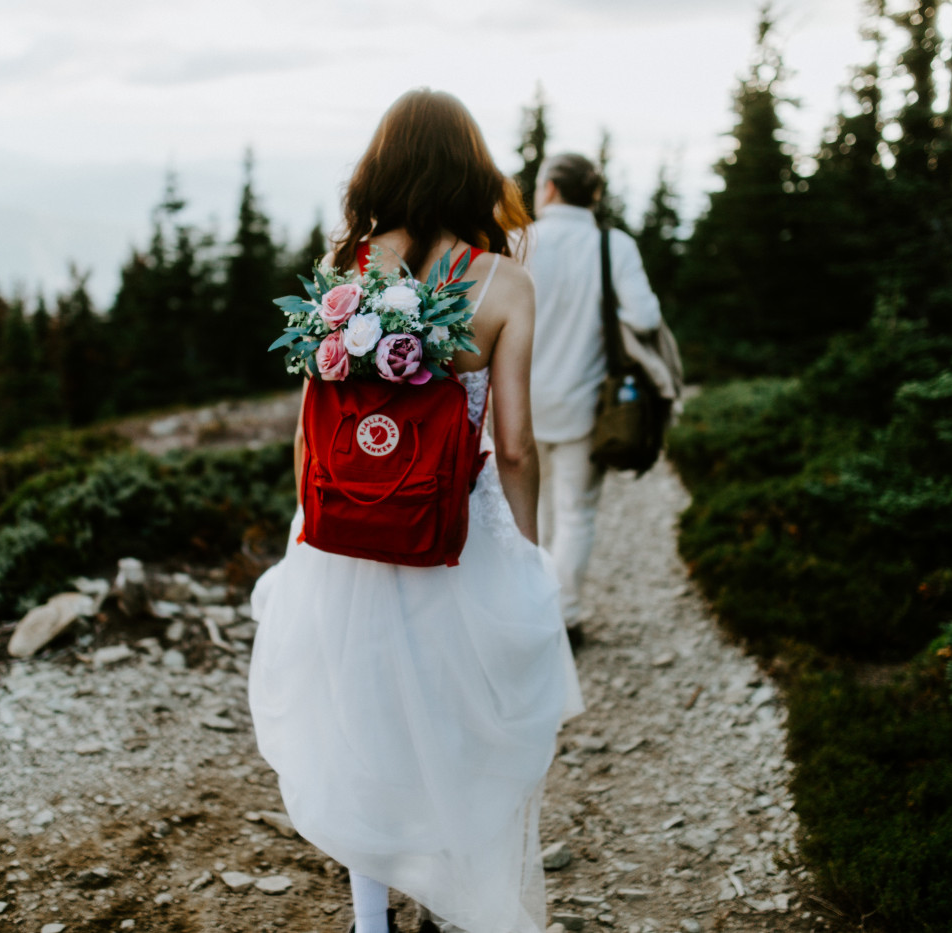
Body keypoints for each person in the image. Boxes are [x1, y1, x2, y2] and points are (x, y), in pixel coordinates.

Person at [249, 89, 584, 933]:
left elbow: (310, 429)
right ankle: (461, 898)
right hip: (452, 535)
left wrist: (315, 526)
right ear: (474, 171)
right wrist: (532, 548)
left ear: (383, 166)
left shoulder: (345, 275)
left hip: (346, 537)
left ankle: (372, 921)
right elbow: (513, 445)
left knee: (362, 724)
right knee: (465, 726)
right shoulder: (504, 283)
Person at [524, 153, 663, 639]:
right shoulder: (613, 245)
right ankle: (566, 617)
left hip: (516, 405)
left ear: (551, 190)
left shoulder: (521, 241)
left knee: (527, 515)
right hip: (585, 405)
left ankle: (527, 614)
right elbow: (645, 318)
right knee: (575, 512)